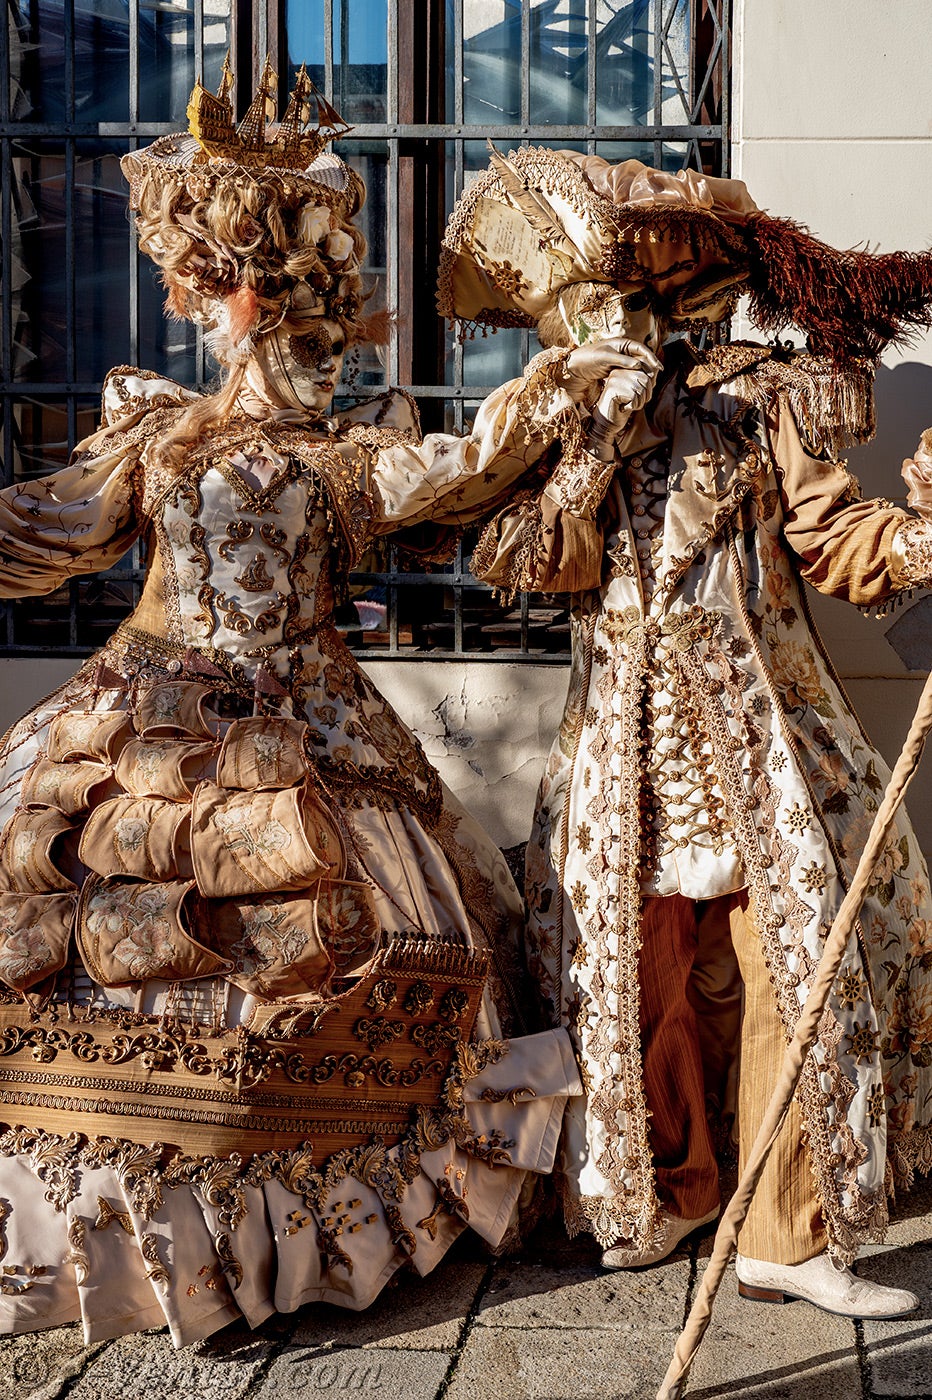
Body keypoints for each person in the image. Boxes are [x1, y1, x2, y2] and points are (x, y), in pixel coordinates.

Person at [0, 69, 596, 1346]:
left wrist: (567, 385)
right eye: (218, 283)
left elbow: (474, 463)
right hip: (136, 724)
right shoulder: (159, 435)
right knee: (76, 911)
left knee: (330, 933)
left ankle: (274, 1231)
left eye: (235, 284)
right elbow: (47, 527)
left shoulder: (355, 447)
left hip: (307, 729)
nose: (223, 308)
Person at [439, 145, 932, 1316]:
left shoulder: (771, 398)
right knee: (636, 972)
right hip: (624, 755)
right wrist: (588, 447)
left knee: (793, 965)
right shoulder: (574, 410)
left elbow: (833, 541)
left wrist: (921, 535)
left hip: (764, 743)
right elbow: (527, 561)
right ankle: (667, 1187)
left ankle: (783, 1228)